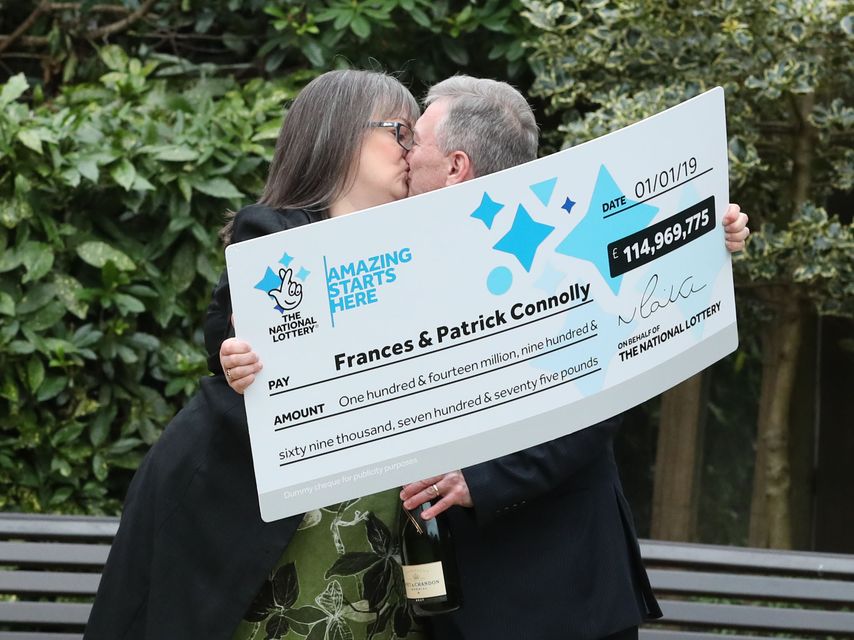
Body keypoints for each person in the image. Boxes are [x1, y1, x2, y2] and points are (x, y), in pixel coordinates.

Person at [221, 76, 750, 640]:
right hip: (453, 604)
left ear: (455, 166)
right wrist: (234, 350)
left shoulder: (557, 245)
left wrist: (714, 234)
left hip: (562, 591)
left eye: (413, 139)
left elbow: (607, 389)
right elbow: (258, 298)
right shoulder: (396, 249)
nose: (403, 151)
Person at [84, 69, 426, 640]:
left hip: (368, 540)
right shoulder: (269, 235)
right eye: (400, 131)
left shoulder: (422, 245)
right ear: (339, 137)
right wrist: (238, 353)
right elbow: (237, 329)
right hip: (240, 518)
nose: (412, 151)